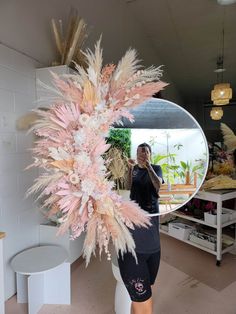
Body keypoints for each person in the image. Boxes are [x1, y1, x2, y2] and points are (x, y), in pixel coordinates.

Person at [118, 143, 163, 314]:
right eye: (138, 152)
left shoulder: (156, 168)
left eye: (144, 152)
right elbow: (128, 187)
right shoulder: (134, 169)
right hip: (133, 234)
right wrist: (130, 169)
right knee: (144, 302)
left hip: (153, 240)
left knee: (146, 291)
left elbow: (158, 186)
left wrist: (148, 165)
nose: (141, 155)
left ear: (150, 153)